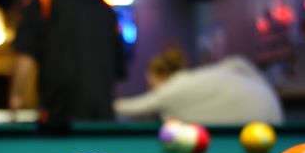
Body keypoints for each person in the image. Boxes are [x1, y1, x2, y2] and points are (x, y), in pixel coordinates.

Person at [9, 0, 125, 129]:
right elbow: (118, 67)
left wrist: (16, 96)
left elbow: (25, 53)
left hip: (59, 116)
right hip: (102, 114)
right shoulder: (105, 6)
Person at [114, 51, 284, 125]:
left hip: (258, 125)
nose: (150, 86)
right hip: (277, 118)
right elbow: (239, 62)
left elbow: (127, 108)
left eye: (150, 81)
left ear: (164, 74)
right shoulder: (196, 78)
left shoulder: (173, 89)